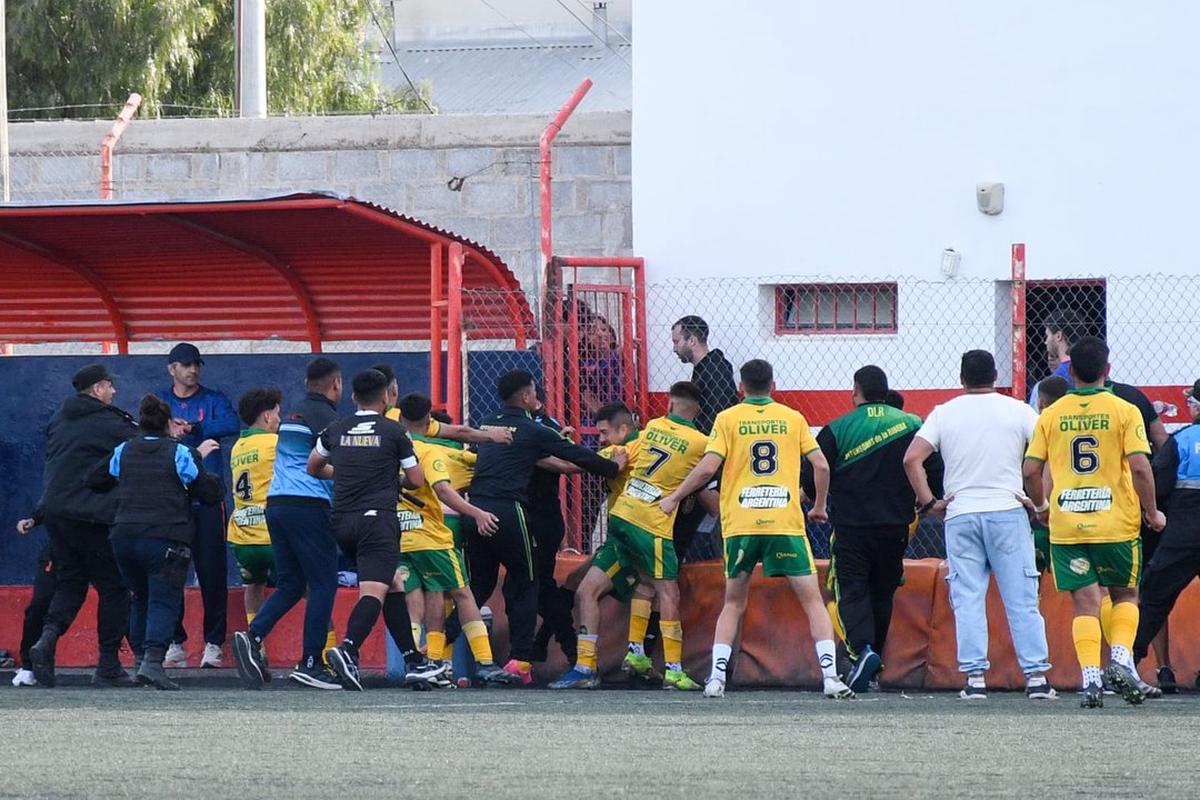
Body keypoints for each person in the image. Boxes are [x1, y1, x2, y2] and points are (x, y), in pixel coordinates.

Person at [662, 359, 854, 700]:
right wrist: (819, 505)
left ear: (741, 388)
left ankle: (715, 680)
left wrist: (675, 496)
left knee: (733, 602)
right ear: (773, 386)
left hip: (741, 524)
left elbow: (708, 468)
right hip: (784, 522)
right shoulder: (792, 418)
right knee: (812, 601)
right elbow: (821, 464)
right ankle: (831, 677)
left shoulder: (727, 418)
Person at [1022, 336, 1166, 708]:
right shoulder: (1123, 410)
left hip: (1068, 523)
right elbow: (1139, 466)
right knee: (1125, 594)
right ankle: (1120, 659)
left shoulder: (1051, 413)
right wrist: (1151, 512)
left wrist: (1041, 506)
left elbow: (1030, 469)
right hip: (1114, 521)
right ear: (1107, 370)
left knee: (1084, 603)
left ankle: (1090, 681)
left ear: (1070, 371)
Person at [903, 350, 1054, 700]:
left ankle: (974, 679)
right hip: (1008, 509)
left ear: (962, 378)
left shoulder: (944, 413)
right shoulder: (1019, 410)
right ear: (995, 375)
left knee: (968, 595)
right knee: (1021, 596)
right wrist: (1040, 499)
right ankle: (1036, 678)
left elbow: (912, 458)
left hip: (961, 512)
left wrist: (929, 503)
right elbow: (1046, 454)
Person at [467, 369, 626, 685]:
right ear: (526, 396)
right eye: (534, 395)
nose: (538, 401)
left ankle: (539, 653)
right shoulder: (524, 426)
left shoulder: (528, 425)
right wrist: (608, 467)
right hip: (518, 513)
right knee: (526, 587)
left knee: (527, 586)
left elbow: (563, 458)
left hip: (535, 518)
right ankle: (537, 653)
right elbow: (561, 457)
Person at [550, 381, 712, 691]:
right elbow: (708, 471)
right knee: (668, 593)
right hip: (652, 524)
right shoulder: (702, 442)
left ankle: (588, 666)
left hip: (622, 517)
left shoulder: (651, 430)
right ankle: (675, 670)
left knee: (591, 590)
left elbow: (600, 457)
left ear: (667, 406)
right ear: (698, 411)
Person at [306, 369, 445, 691]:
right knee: (375, 591)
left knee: (393, 583)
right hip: (377, 522)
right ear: (386, 397)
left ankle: (413, 659)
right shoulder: (394, 431)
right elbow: (416, 481)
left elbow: (313, 467)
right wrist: (385, 479)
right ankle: (348, 649)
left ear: (353, 397)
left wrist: (346, 476)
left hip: (342, 522)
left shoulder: (335, 428)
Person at [805, 365, 942, 693]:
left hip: (852, 527)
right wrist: (928, 502)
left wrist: (817, 502)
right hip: (896, 526)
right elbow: (933, 468)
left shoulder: (837, 428)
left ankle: (862, 651)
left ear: (857, 392)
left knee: (850, 590)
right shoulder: (913, 424)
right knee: (883, 592)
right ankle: (874, 663)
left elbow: (814, 475)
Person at [87, 395, 223, 691]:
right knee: (164, 599)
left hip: (123, 537)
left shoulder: (124, 450)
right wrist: (200, 461)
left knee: (140, 597)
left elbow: (95, 479)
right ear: (166, 424)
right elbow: (208, 492)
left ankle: (139, 662)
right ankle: (153, 662)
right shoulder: (178, 452)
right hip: (165, 536)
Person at [23, 364, 137, 688]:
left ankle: (46, 641)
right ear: (97, 389)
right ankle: (108, 664)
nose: (113, 391)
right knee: (114, 587)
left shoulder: (59, 418)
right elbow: (141, 446)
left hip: (56, 514)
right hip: (91, 515)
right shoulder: (109, 421)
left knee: (71, 584)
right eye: (109, 386)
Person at [393, 392, 517, 685]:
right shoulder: (431, 452)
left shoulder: (390, 447)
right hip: (433, 537)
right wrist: (478, 513)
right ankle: (485, 662)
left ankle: (425, 663)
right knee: (462, 593)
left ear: (399, 417)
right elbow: (446, 490)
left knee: (420, 599)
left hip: (398, 536)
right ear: (428, 422)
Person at [234, 358, 342, 690]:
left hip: (276, 506)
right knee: (323, 584)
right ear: (336, 384)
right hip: (307, 505)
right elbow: (336, 465)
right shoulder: (327, 418)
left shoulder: (293, 416)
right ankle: (312, 662)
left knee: (292, 584)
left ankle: (252, 636)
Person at [157, 342, 240, 668]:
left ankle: (213, 644)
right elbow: (144, 427)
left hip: (208, 499)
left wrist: (196, 427)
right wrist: (169, 429)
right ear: (172, 369)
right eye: (186, 365)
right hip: (172, 499)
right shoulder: (160, 401)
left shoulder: (214, 399)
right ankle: (174, 643)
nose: (193, 370)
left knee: (212, 574)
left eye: (196, 365)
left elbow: (232, 424)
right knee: (170, 572)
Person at [1132, 380, 1200, 678]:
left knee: (1154, 596)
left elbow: (1157, 487)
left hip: (1183, 535)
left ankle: (1128, 663)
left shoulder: (1182, 440)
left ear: (1195, 407)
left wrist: (1151, 514)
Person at [226, 388, 282, 636]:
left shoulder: (238, 446)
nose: (280, 420)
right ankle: (323, 653)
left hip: (242, 535)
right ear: (268, 416)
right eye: (278, 414)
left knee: (253, 586)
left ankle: (254, 648)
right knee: (313, 589)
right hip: (272, 534)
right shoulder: (276, 443)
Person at [528, 386, 578, 665]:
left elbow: (558, 459)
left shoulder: (544, 427)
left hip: (540, 515)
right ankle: (544, 642)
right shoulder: (546, 427)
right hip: (537, 514)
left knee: (535, 585)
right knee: (537, 584)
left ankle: (565, 644)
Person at [670, 315, 739, 436]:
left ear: (692, 341)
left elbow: (715, 417)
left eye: (676, 342)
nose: (674, 349)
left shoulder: (715, 370)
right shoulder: (705, 368)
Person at [1030, 376, 1071, 574]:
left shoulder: (1044, 425)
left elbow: (1039, 473)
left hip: (1054, 513)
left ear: (1040, 402)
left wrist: (1042, 506)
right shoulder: (1076, 424)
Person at [9, 535, 57, 687]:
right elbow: (47, 511)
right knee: (39, 606)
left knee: (118, 597)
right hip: (59, 552)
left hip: (98, 548)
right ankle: (29, 666)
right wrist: (34, 520)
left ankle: (114, 663)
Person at [1028, 308, 1082, 406]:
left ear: (1058, 336)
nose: (1046, 341)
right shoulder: (1094, 373)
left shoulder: (1049, 383)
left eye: (1047, 336)